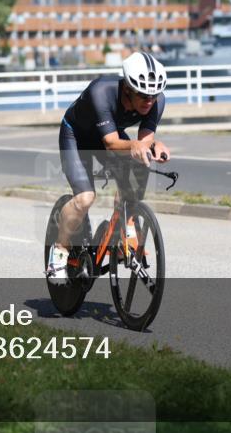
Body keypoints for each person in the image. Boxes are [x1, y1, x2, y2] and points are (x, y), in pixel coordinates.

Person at [48, 51, 171, 284]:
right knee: (84, 198)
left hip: (110, 136)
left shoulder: (157, 101)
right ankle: (59, 254)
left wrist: (155, 146)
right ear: (128, 89)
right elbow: (111, 143)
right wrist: (135, 145)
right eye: (143, 94)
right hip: (77, 137)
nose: (149, 101)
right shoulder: (101, 91)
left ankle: (123, 228)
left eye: (154, 95)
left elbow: (144, 141)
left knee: (134, 178)